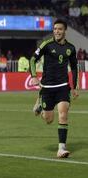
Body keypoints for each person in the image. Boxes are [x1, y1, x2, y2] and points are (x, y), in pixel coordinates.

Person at [30, 19, 79, 158]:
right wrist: (33, 76)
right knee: (48, 119)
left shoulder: (71, 48)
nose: (57, 31)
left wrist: (74, 87)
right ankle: (40, 101)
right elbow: (33, 59)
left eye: (60, 29)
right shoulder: (46, 44)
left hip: (63, 87)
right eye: (55, 29)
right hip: (47, 87)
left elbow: (74, 67)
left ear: (65, 31)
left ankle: (61, 148)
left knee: (63, 115)